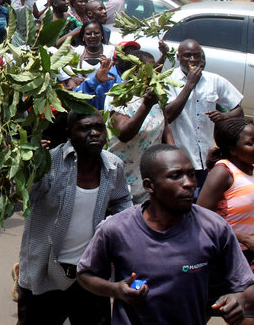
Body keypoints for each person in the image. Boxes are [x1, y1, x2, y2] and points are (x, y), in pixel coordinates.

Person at [77, 144, 254, 324]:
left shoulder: (214, 227)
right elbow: (85, 275)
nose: (189, 183)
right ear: (149, 185)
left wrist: (239, 300)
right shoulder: (116, 228)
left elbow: (247, 285)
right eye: (175, 176)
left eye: (191, 174)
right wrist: (115, 290)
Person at [16, 111, 131, 324]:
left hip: (91, 275)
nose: (95, 133)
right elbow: (6, 204)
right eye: (86, 128)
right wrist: (23, 169)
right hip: (45, 273)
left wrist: (119, 229)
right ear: (69, 134)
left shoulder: (113, 166)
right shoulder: (48, 163)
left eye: (99, 128)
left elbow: (122, 200)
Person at [164, 39, 243, 190]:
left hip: (207, 158)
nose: (193, 60)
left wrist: (225, 116)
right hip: (181, 157)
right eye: (187, 56)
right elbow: (168, 116)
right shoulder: (168, 81)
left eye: (197, 56)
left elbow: (238, 109)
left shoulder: (214, 80)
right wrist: (189, 85)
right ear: (178, 57)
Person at [106, 50, 174, 203]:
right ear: (136, 72)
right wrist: (146, 105)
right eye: (151, 69)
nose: (155, 74)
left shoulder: (156, 94)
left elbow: (166, 125)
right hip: (120, 178)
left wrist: (174, 156)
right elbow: (124, 134)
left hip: (146, 179)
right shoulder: (119, 95)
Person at [198, 117, 254, 272]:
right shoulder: (223, 172)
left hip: (248, 253)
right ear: (232, 149)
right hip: (226, 255)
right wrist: (244, 238)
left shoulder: (251, 168)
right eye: (250, 143)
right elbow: (201, 219)